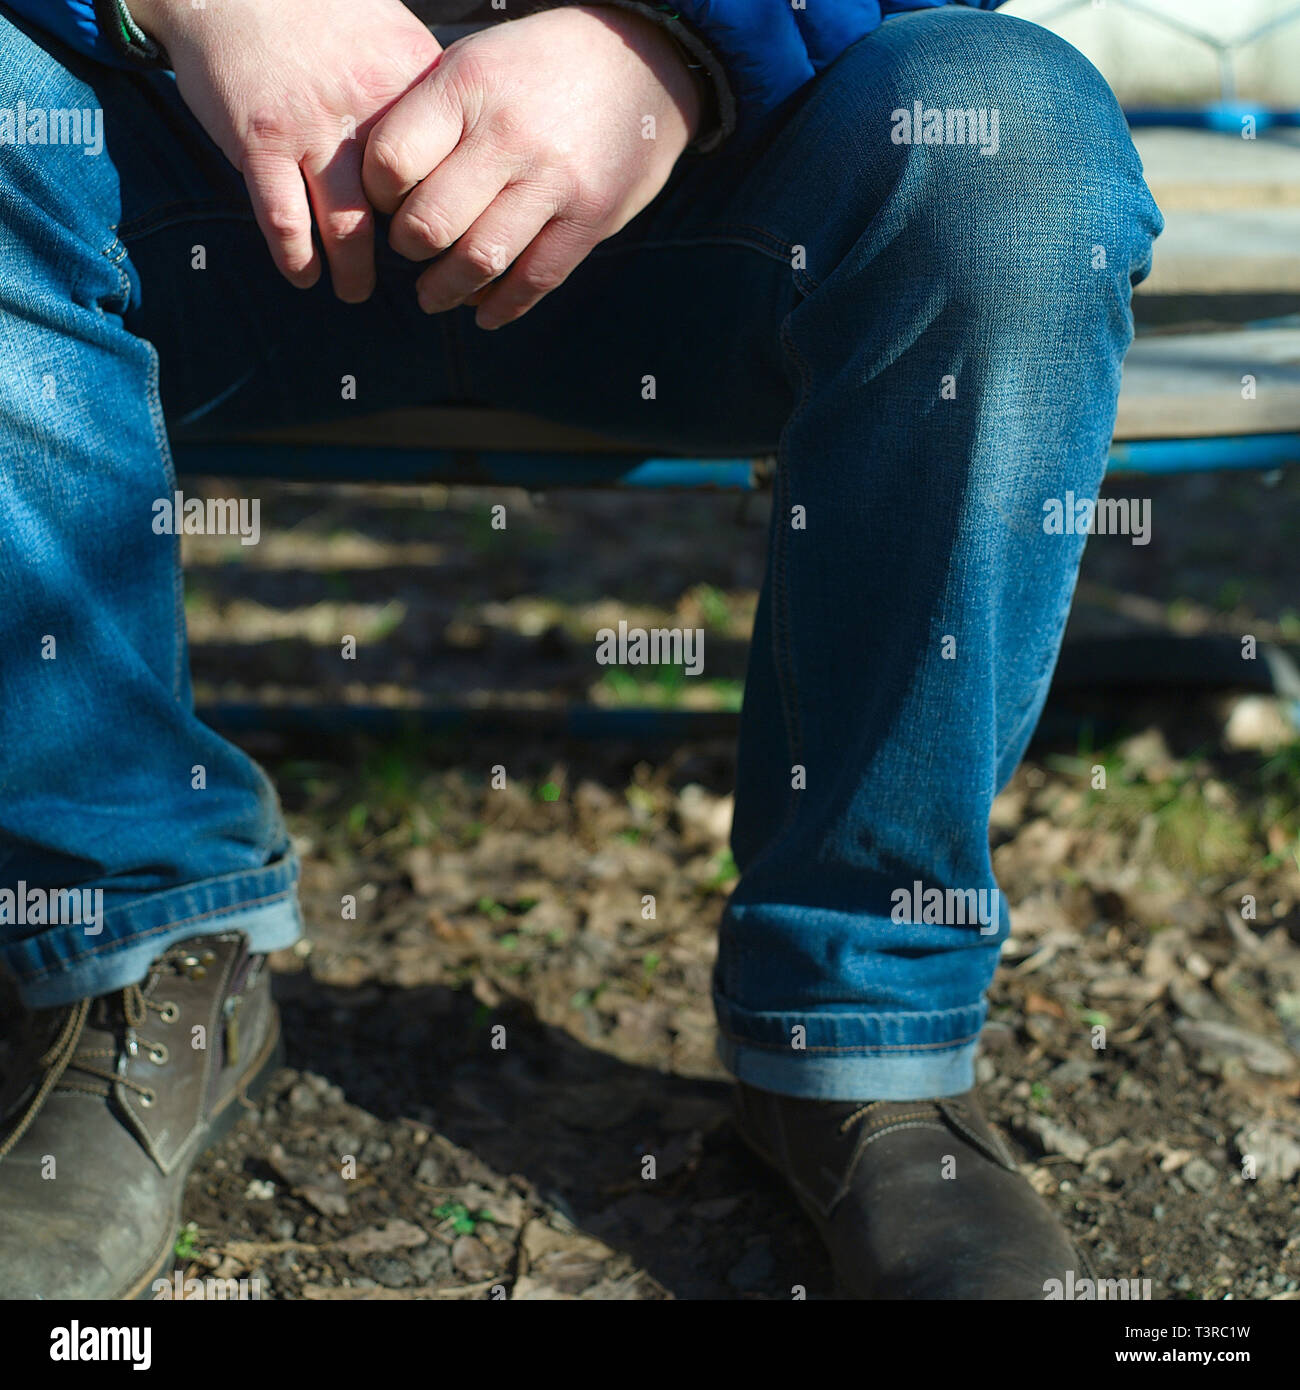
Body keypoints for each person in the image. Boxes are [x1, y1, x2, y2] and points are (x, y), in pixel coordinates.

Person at [0, 0, 1162, 1299]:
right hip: (203, 181)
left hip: (715, 195)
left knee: (1012, 139)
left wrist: (672, 48)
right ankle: (127, 945)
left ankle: (863, 1028)